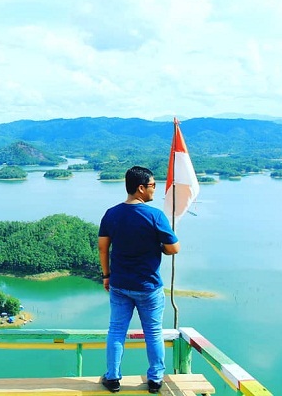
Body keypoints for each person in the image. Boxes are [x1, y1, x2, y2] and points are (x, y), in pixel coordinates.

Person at [98, 166, 179, 394]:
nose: (155, 189)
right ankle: (155, 379)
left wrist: (106, 276)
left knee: (116, 331)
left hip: (120, 285)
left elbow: (103, 248)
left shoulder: (111, 214)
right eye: (153, 185)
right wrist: (160, 246)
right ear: (141, 188)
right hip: (149, 287)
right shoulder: (154, 215)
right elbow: (174, 248)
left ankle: (112, 378)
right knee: (153, 332)